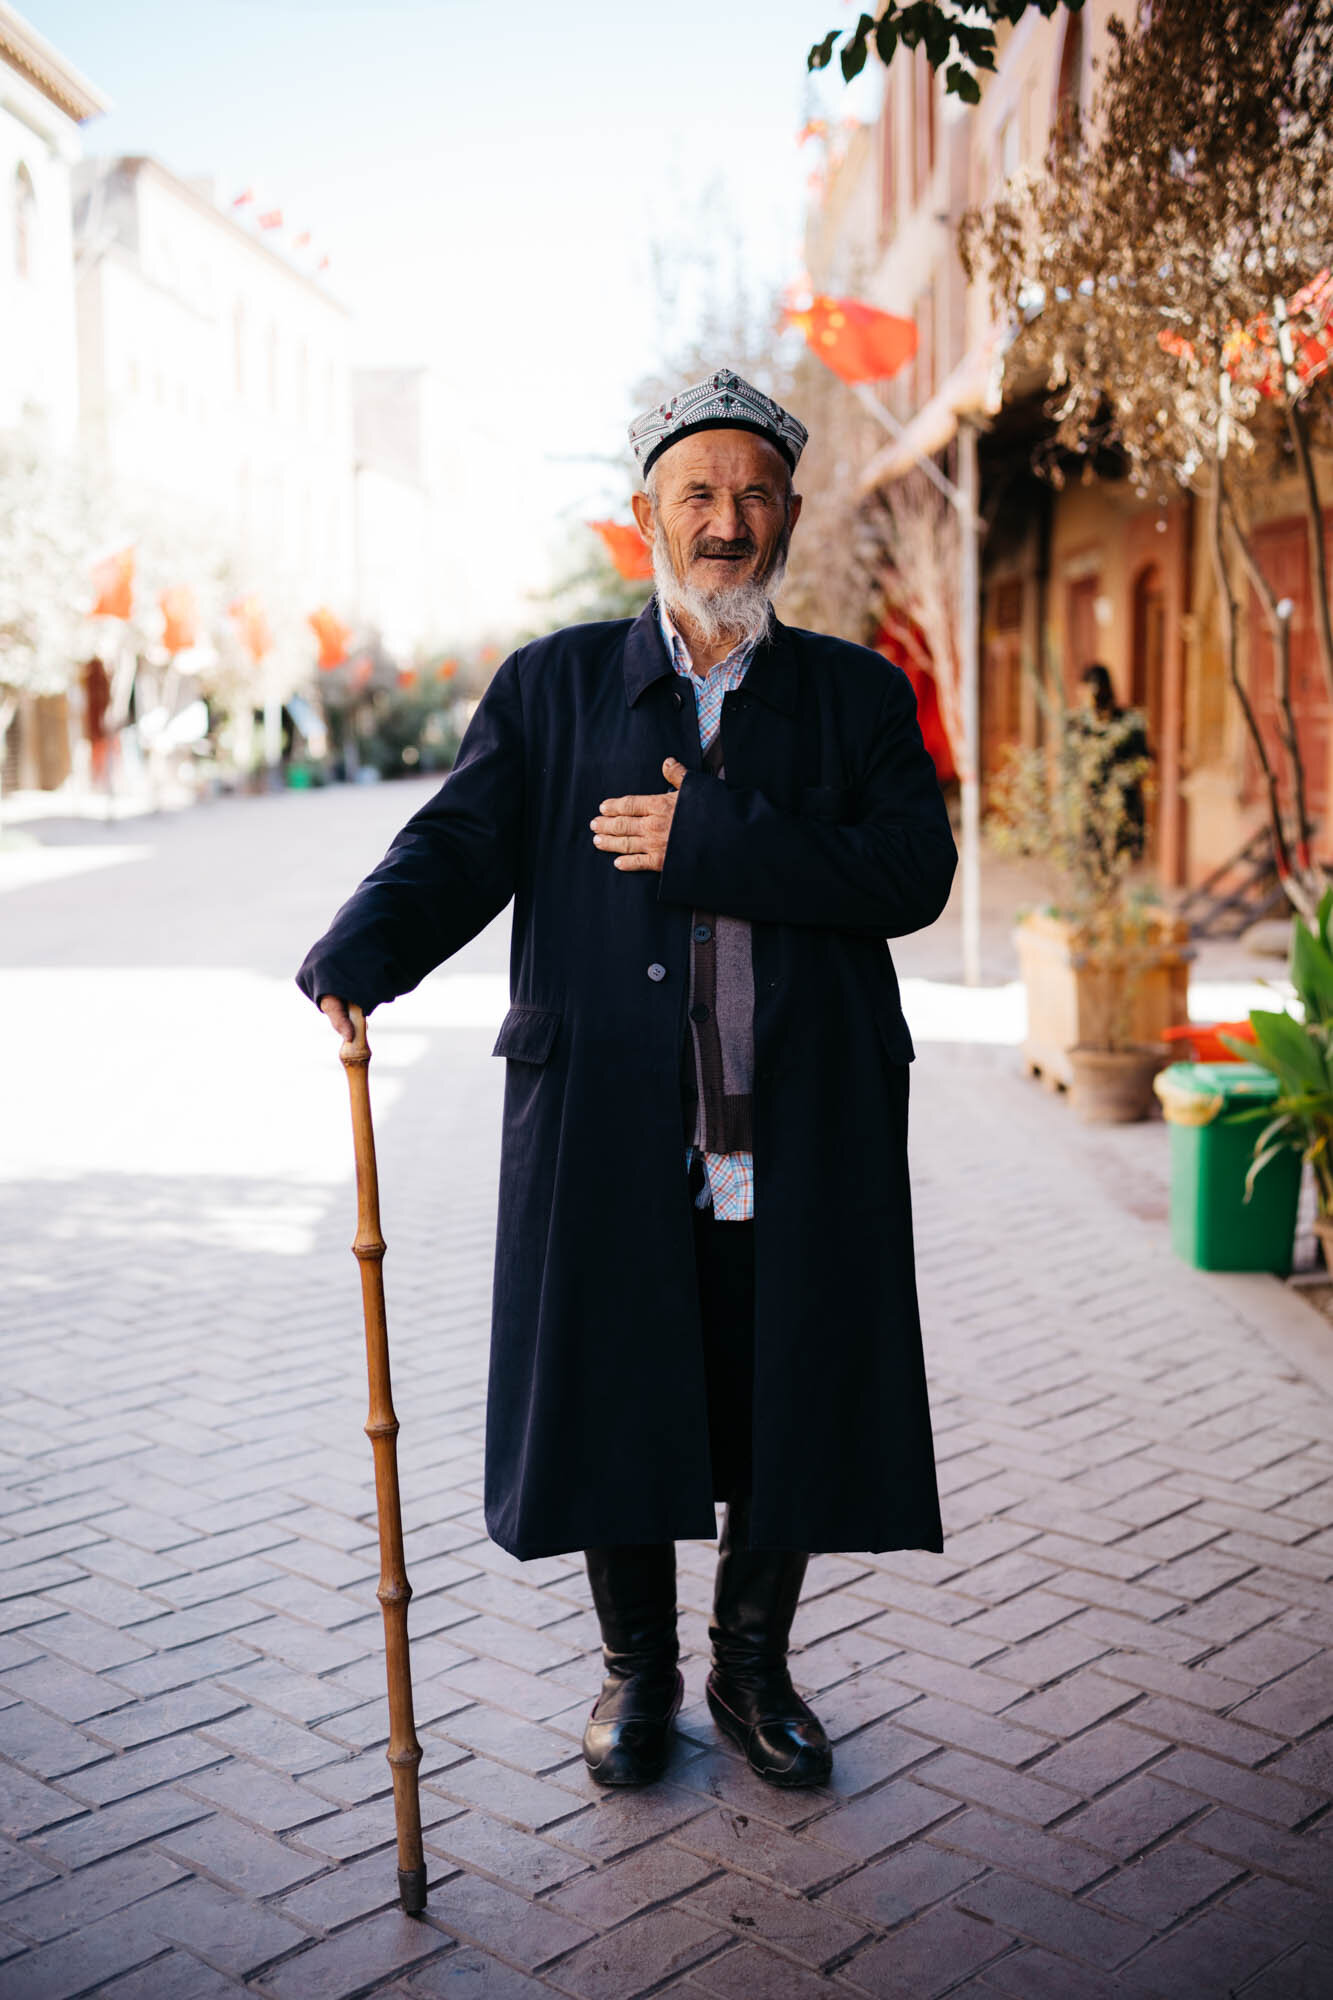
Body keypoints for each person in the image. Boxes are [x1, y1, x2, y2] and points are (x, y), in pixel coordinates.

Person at [297, 369, 958, 1792]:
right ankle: (637, 1675)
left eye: (754, 495)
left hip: (799, 1119)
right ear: (644, 514)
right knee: (623, 1381)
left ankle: (752, 1669)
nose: (727, 522)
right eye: (698, 495)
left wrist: (708, 836)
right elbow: (460, 845)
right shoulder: (552, 686)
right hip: (610, 1111)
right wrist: (362, 949)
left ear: (786, 513)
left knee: (783, 1387)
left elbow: (913, 876)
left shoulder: (854, 695)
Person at [1079, 662, 1149, 862]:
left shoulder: (1128, 723)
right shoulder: (1080, 724)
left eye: (1097, 690)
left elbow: (1142, 762)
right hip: (1090, 807)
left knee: (1120, 864)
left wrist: (1121, 779)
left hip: (1121, 806)